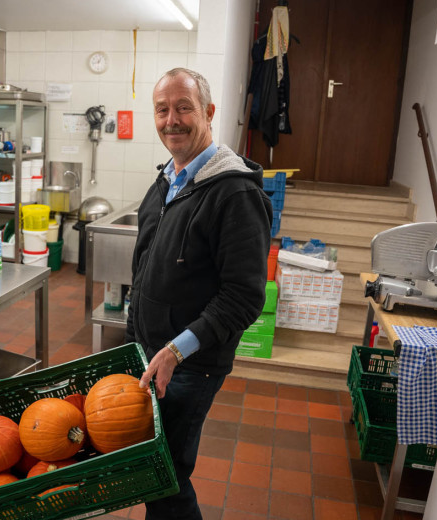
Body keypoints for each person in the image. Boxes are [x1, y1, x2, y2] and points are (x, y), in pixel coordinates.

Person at [127, 68, 272, 520]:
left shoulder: (233, 194)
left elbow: (245, 296)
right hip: (151, 350)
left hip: (190, 364)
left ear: (209, 113)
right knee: (154, 470)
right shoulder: (166, 181)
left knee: (165, 479)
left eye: (184, 108)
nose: (172, 119)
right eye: (162, 109)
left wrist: (176, 350)